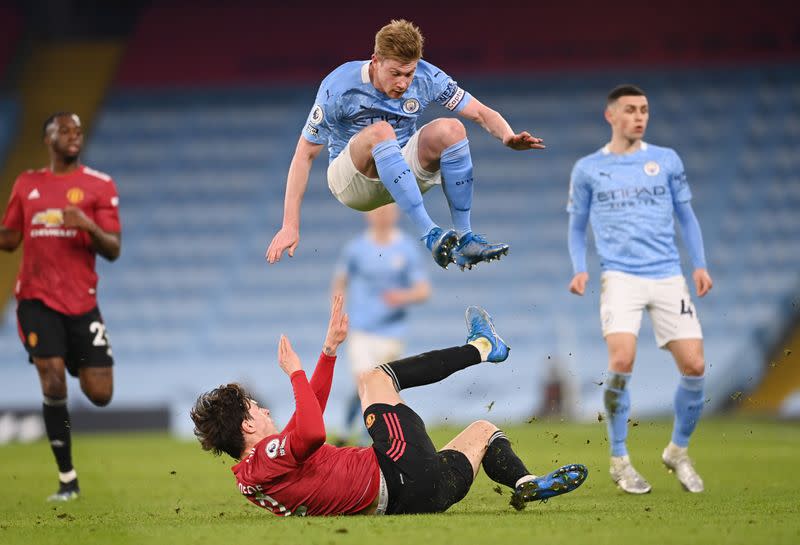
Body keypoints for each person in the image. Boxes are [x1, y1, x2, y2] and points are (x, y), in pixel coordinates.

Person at [190, 295, 588, 516]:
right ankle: (483, 347)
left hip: (419, 499)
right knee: (375, 379)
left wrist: (328, 352)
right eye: (255, 408)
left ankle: (524, 481)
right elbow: (311, 429)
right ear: (246, 426)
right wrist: (294, 372)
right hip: (395, 472)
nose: (264, 410)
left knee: (482, 432)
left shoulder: (251, 475)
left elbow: (304, 419)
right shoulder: (268, 455)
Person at [266, 19, 544, 271]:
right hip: (352, 182)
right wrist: (290, 224)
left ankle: (466, 238)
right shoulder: (339, 87)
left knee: (452, 129)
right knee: (381, 131)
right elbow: (305, 153)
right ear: (375, 61)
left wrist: (507, 137)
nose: (403, 83)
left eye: (408, 74)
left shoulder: (426, 77)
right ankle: (430, 233)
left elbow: (480, 113)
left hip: (399, 168)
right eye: (395, 73)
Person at [566, 85, 712, 494]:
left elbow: (687, 214)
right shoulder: (589, 169)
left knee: (696, 367)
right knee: (622, 357)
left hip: (668, 275)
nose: (639, 116)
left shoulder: (665, 160)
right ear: (610, 115)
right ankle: (619, 459)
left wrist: (699, 264)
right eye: (630, 110)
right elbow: (577, 227)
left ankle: (678, 451)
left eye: (644, 110)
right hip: (621, 277)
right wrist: (580, 269)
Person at [0, 112, 122, 501]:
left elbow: (114, 249)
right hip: (36, 300)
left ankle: (71, 356)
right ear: (48, 138)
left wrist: (87, 225)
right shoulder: (27, 184)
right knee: (51, 379)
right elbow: (10, 239)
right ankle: (68, 478)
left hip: (82, 304)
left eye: (78, 131)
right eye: (64, 130)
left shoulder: (99, 186)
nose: (74, 136)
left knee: (101, 393)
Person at [332, 203, 431, 444]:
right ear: (368, 214)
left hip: (392, 332)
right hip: (362, 330)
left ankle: (347, 431)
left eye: (387, 210)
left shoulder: (406, 248)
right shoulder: (357, 248)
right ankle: (370, 443)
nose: (382, 214)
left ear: (396, 213)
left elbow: (423, 291)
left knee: (376, 387)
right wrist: (336, 313)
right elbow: (340, 281)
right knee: (364, 381)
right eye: (377, 210)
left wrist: (402, 297)